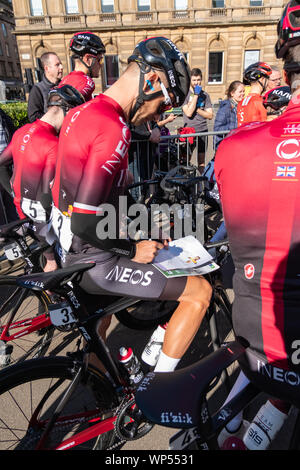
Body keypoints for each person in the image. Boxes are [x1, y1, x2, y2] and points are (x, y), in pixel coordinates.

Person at [50, 36, 212, 374]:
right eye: (165, 102)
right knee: (199, 292)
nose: (160, 113)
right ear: (151, 80)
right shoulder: (113, 127)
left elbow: (90, 200)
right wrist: (131, 249)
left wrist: (144, 227)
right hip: (97, 258)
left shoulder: (82, 112)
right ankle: (155, 392)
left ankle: (100, 390)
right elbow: (85, 220)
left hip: (76, 253)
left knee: (100, 326)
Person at [214, 0, 300, 449]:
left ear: (283, 75)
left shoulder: (232, 147)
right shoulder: (246, 112)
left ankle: (234, 432)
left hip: (253, 335)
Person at [0, 85, 85, 272]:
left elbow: (2, 161)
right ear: (66, 111)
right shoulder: (53, 145)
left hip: (22, 210)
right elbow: (47, 200)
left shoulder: (23, 131)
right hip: (40, 222)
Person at [58, 32, 106, 101]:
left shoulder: (65, 79)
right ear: (88, 59)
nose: (101, 65)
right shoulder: (87, 82)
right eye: (99, 60)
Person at [182, 67, 213, 171]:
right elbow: (189, 113)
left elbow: (210, 115)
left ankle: (200, 186)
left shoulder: (205, 95)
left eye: (198, 80)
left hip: (202, 131)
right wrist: (195, 95)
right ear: (190, 80)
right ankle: (186, 183)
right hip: (189, 131)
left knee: (201, 161)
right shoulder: (185, 95)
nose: (196, 82)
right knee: (186, 160)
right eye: (194, 80)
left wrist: (197, 109)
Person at [27, 52, 63, 123]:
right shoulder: (37, 89)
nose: (61, 67)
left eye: (61, 64)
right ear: (47, 68)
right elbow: (33, 116)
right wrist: (55, 119)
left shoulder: (65, 85)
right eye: (57, 65)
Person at [237, 61, 272, 126]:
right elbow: (263, 127)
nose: (268, 84)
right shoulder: (259, 102)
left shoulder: (242, 101)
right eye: (268, 79)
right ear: (262, 79)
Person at [213, 80, 245, 149]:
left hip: (235, 144)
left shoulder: (241, 106)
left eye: (243, 91)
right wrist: (235, 127)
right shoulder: (225, 108)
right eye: (240, 92)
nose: (243, 94)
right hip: (224, 146)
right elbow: (217, 129)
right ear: (232, 93)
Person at [0, 108, 17, 225]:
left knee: (11, 198)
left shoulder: (1, 113)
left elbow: (12, 131)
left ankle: (15, 227)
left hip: (5, 162)